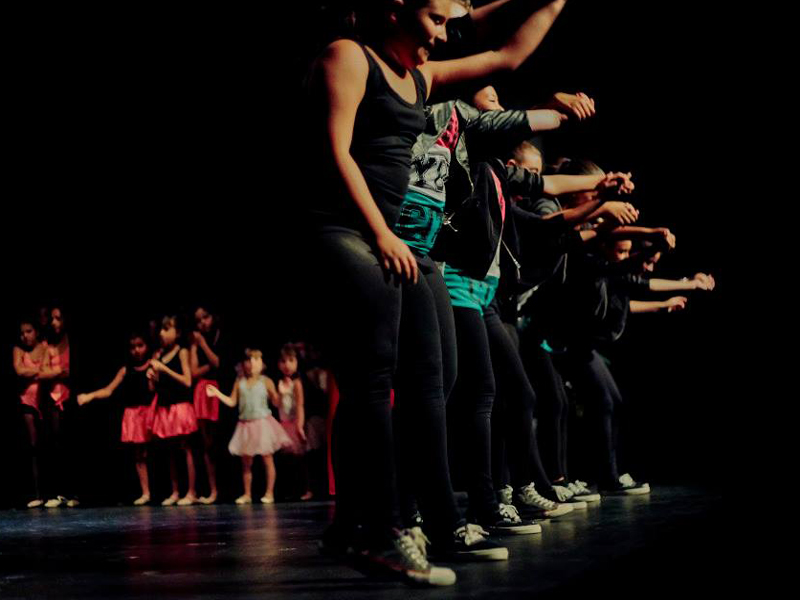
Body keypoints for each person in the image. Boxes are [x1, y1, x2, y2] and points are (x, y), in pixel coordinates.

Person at [305, 0, 572, 583]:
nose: (446, 34)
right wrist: (381, 233)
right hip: (348, 231)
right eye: (437, 21)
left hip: (399, 244)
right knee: (374, 381)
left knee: (436, 379)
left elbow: (508, 54)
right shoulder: (349, 57)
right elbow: (335, 149)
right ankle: (381, 531)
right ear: (396, 9)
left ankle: (398, 521)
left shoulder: (419, 76)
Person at [77, 332, 157, 505]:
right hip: (134, 416)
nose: (136, 350)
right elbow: (108, 390)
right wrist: (89, 396)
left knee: (154, 452)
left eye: (140, 345)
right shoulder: (126, 369)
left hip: (150, 413)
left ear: (147, 345)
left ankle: (163, 490)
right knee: (139, 455)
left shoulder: (154, 365)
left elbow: (155, 390)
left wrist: (154, 378)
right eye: (132, 347)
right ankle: (146, 492)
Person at [207, 349, 291, 505]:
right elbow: (232, 402)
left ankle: (269, 492)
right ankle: (247, 494)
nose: (252, 363)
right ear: (243, 364)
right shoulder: (240, 382)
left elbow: (276, 402)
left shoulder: (266, 381)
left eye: (256, 360)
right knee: (246, 462)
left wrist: (282, 393)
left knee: (267, 458)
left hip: (263, 423)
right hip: (245, 425)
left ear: (262, 363)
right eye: (249, 360)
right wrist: (217, 393)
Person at [148, 315, 199, 506]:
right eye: (161, 329)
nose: (162, 332)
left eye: (167, 329)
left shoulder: (182, 352)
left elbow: (187, 381)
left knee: (186, 448)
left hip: (180, 406)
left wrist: (164, 369)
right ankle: (175, 491)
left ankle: (191, 491)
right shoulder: (159, 354)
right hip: (165, 407)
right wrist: (152, 376)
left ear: (177, 333)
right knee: (170, 451)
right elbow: (153, 389)